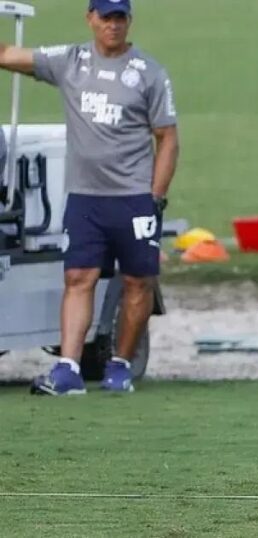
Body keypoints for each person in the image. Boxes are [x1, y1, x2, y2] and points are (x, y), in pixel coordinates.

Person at [0, 0, 179, 395]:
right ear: (90, 19)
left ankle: (119, 365)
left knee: (137, 282)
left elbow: (167, 137)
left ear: (129, 21)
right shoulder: (70, 61)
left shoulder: (149, 73)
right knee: (77, 277)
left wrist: (156, 195)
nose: (113, 25)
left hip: (134, 196)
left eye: (120, 18)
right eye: (105, 17)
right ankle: (67, 368)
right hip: (84, 196)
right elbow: (9, 56)